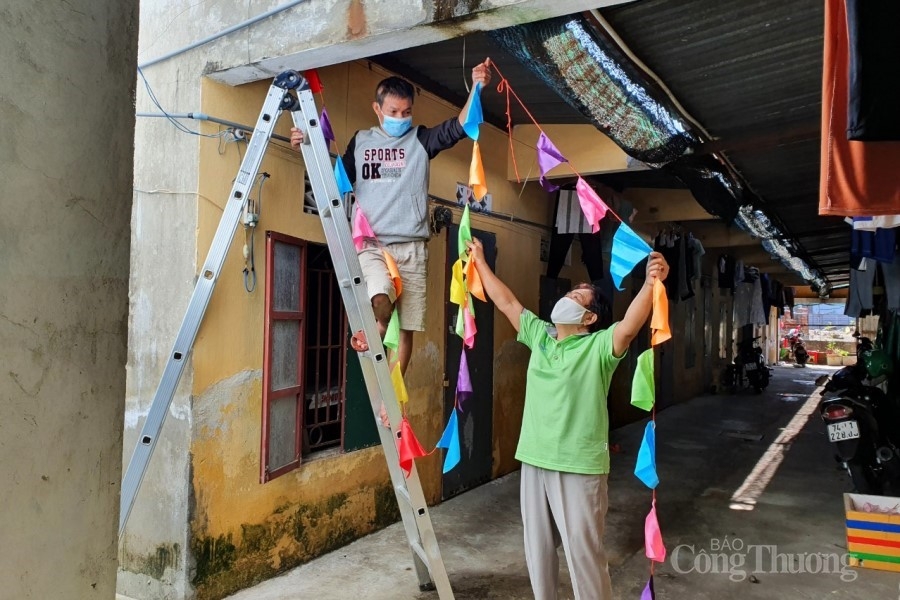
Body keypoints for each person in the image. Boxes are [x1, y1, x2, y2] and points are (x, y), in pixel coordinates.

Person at [466, 237, 669, 600]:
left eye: (577, 298)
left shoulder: (599, 347)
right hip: (534, 457)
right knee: (538, 551)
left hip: (580, 466)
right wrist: (480, 260)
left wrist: (652, 283)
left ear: (589, 318)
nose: (567, 298)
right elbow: (506, 301)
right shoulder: (540, 336)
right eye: (571, 293)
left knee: (584, 555)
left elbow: (628, 327)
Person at [291, 59, 492, 376]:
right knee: (380, 293)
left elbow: (459, 126)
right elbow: (334, 181)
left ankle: (394, 397)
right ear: (377, 108)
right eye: (394, 111)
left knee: (406, 331)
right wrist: (307, 145)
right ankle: (377, 327)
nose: (401, 118)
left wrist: (476, 87)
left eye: (406, 112)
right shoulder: (361, 142)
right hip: (372, 243)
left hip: (411, 247)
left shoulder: (420, 141)